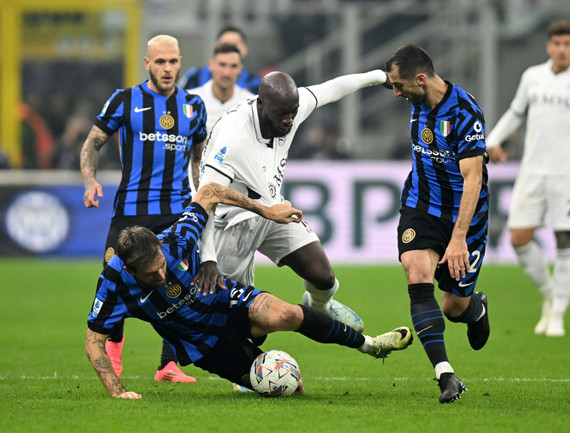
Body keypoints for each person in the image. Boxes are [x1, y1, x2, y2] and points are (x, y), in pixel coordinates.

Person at [85, 182, 413, 399]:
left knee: (288, 313)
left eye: (161, 263)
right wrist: (117, 390)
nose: (161, 271)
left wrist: (266, 210)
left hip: (226, 301)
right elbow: (93, 341)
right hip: (205, 345)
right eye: (152, 273)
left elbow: (210, 191)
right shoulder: (114, 284)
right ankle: (252, 368)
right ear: (130, 270)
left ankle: (371, 346)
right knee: (290, 389)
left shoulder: (175, 239)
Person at [194, 69, 391, 333]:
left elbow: (331, 87)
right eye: (281, 114)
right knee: (243, 328)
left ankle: (318, 305)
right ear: (261, 104)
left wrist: (379, 76)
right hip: (230, 225)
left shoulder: (288, 107)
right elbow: (205, 197)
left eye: (293, 112)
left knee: (324, 277)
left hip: (274, 211)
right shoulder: (234, 139)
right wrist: (208, 259)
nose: (288, 120)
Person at [80, 34, 208, 383]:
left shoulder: (194, 106)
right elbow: (91, 144)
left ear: (180, 62)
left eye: (173, 61)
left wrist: (201, 197)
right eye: (161, 62)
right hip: (131, 213)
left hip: (175, 212)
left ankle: (168, 364)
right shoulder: (124, 100)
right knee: (114, 277)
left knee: (179, 285)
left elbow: (199, 160)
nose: (168, 69)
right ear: (147, 63)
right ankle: (114, 357)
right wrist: (90, 181)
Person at [485, 20, 570, 337]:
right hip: (532, 171)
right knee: (518, 237)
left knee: (565, 240)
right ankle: (549, 294)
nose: (562, 49)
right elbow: (515, 113)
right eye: (557, 43)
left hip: (568, 175)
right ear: (549, 46)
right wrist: (493, 140)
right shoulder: (532, 77)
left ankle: (559, 312)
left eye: (568, 44)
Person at [384, 44, 491, 403]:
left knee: (453, 306)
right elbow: (386, 81)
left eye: (398, 86)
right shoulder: (415, 96)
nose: (395, 93)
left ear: (419, 79)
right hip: (420, 206)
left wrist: (459, 238)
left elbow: (473, 180)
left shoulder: (464, 113)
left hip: (465, 216)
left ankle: (476, 307)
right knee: (416, 273)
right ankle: (446, 375)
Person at [189, 43, 254, 134]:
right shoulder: (190, 100)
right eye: (222, 65)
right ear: (211, 65)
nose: (226, 73)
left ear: (241, 69)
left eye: (233, 66)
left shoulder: (250, 105)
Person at [180, 25, 262, 94]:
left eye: (234, 45)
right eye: (225, 45)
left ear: (245, 49)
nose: (229, 50)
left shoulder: (255, 84)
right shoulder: (195, 77)